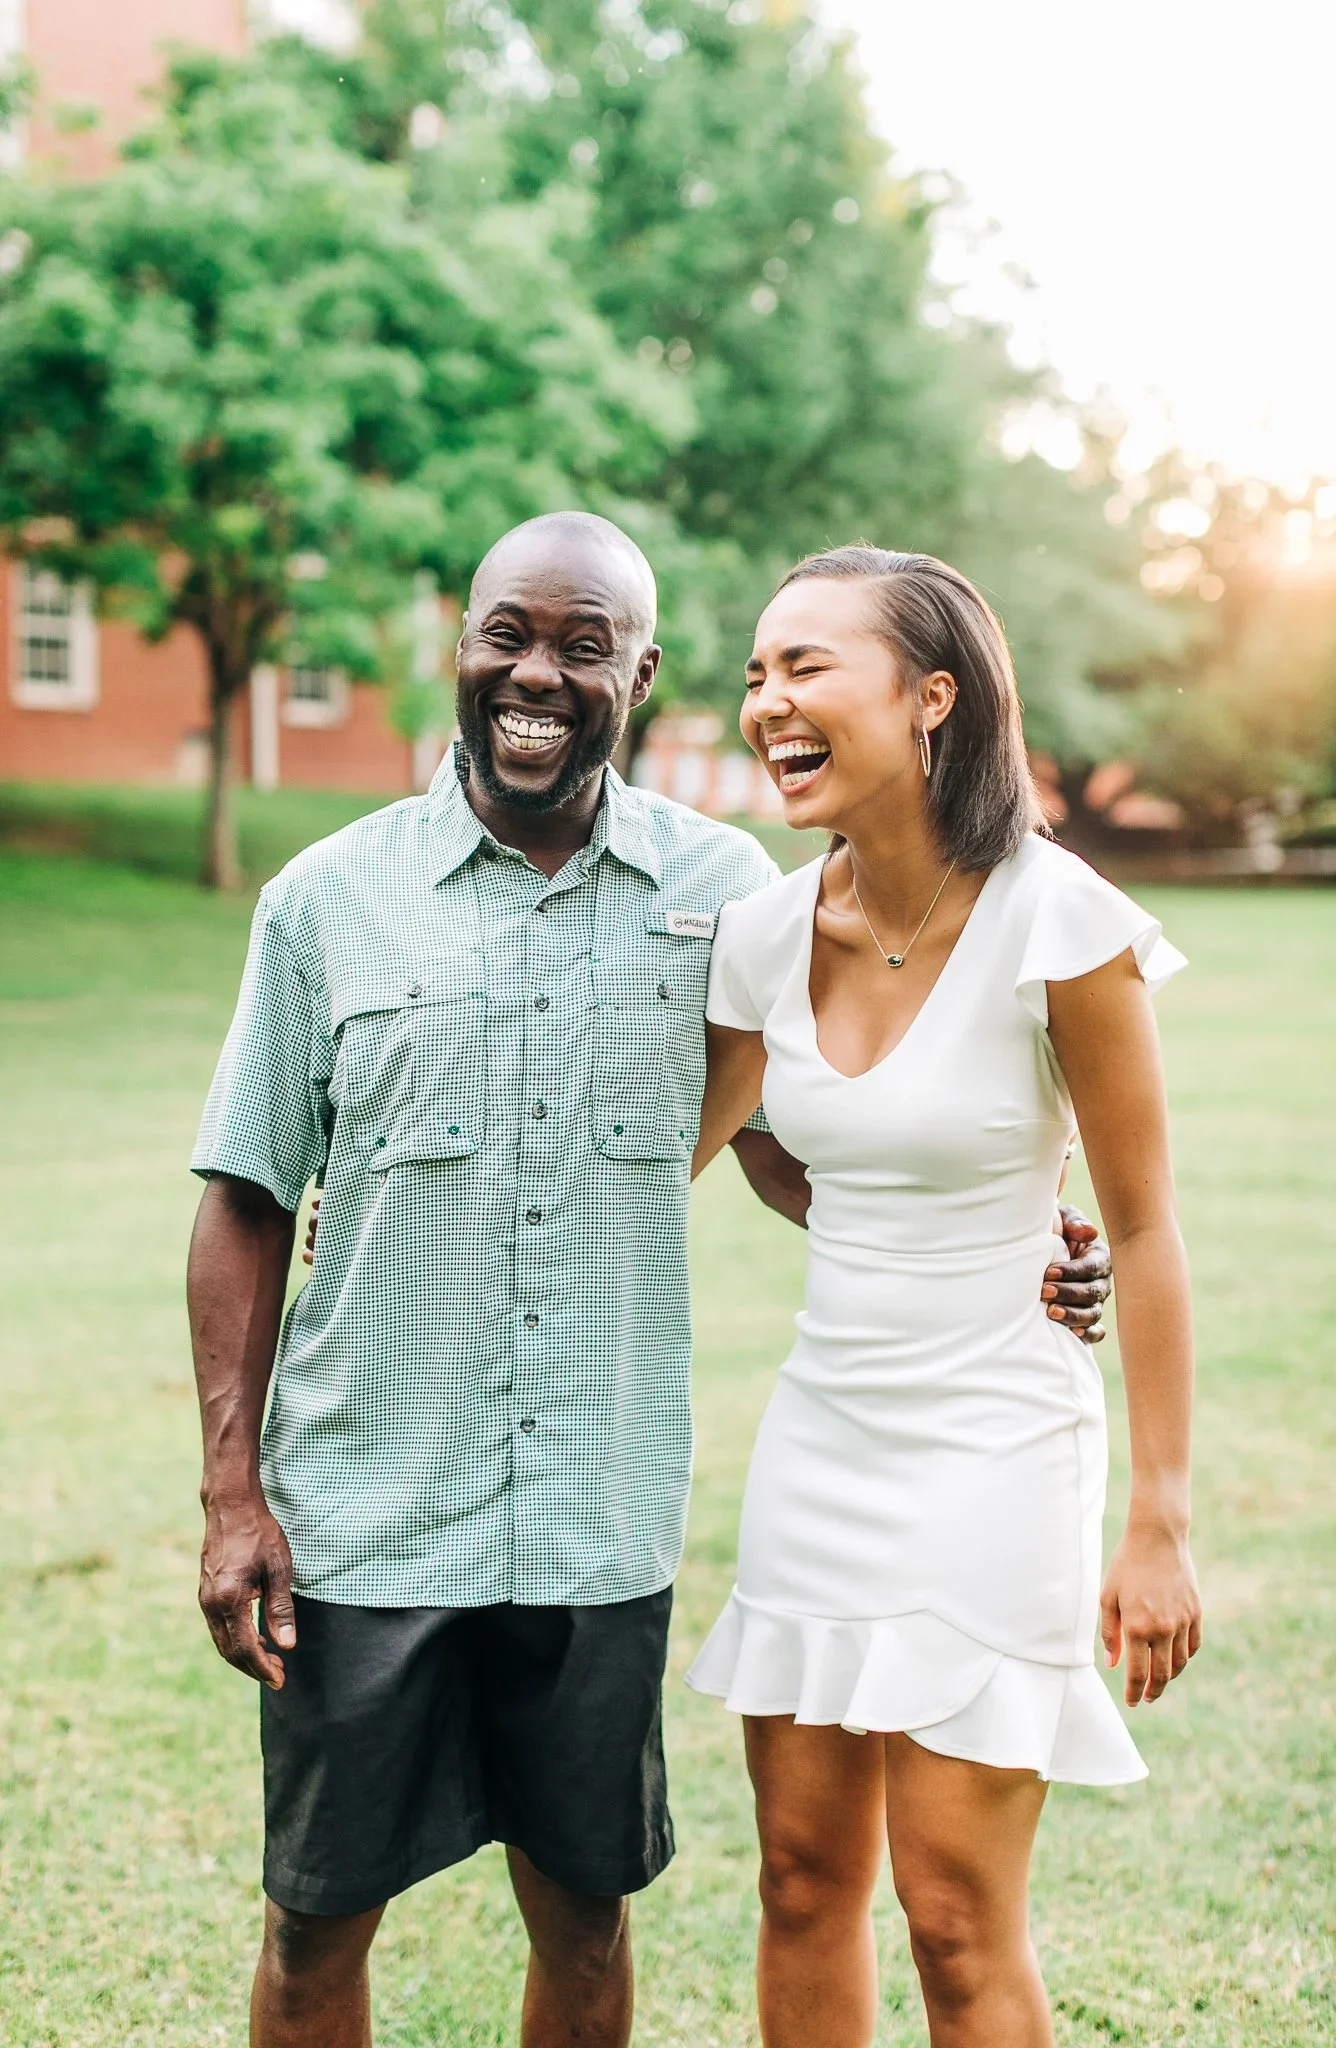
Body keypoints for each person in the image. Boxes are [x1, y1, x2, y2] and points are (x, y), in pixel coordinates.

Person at [186, 513, 1113, 2048]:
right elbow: (244, 1196)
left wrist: (1013, 1234)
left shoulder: (726, 895)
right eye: (507, 635)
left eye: (582, 645)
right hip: (364, 1514)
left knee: (591, 1925)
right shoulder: (322, 902)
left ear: (641, 671)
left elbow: (788, 1134)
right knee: (309, 1931)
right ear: (461, 647)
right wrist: (233, 1495)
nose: (536, 673)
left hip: (595, 1520)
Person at [686, 545, 1203, 2048]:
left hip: (999, 1442)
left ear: (932, 698)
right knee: (797, 1880)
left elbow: (1150, 1227)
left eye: (805, 668)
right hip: (821, 1439)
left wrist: (1160, 1522)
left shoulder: (1063, 923)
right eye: (757, 671)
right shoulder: (764, 938)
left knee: (957, 1920)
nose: (764, 701)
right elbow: (672, 1155)